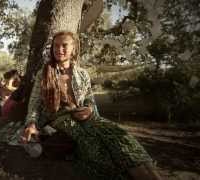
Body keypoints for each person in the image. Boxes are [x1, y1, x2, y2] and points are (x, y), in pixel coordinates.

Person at [21, 31, 162, 180]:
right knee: (92, 144)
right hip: (59, 120)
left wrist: (88, 110)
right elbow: (34, 103)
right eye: (56, 45)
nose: (59, 49)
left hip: (86, 117)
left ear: (74, 48)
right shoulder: (43, 74)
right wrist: (31, 124)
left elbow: (89, 100)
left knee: (120, 136)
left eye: (64, 45)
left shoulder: (82, 74)